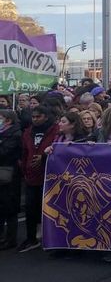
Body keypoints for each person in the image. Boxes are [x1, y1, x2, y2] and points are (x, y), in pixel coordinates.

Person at [18, 105, 58, 252]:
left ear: (46, 117)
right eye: (33, 117)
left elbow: (59, 148)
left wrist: (44, 157)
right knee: (30, 208)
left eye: (38, 117)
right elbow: (25, 151)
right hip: (31, 176)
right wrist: (24, 168)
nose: (35, 119)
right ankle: (31, 238)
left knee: (49, 209)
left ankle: (50, 238)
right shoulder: (28, 132)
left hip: (49, 176)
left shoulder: (55, 130)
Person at [0, 109, 22, 250]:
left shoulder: (15, 134)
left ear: (8, 120)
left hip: (9, 174)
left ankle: (11, 238)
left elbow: (4, 152)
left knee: (9, 207)